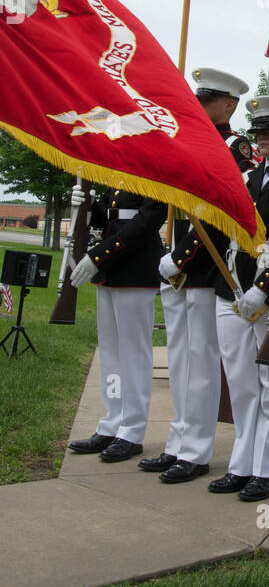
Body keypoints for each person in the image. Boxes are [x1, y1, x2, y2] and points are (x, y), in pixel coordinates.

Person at [146, 69, 254, 483]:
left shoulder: (234, 147)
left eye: (206, 101)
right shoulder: (189, 141)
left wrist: (183, 256)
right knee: (180, 360)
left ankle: (194, 453)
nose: (197, 106)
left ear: (228, 105)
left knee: (201, 362)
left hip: (207, 265)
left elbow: (221, 210)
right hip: (179, 263)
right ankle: (178, 442)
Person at [207, 94, 269, 501]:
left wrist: (262, 288)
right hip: (231, 288)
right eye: (257, 131)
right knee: (241, 383)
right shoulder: (247, 178)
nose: (260, 137)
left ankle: (267, 470)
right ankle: (241, 464)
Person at [67, 189, 166, 461]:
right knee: (111, 353)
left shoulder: (150, 169)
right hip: (110, 266)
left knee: (133, 354)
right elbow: (107, 215)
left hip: (134, 264)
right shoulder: (119, 169)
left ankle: (131, 431)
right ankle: (112, 422)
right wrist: (86, 203)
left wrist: (99, 255)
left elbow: (146, 221)